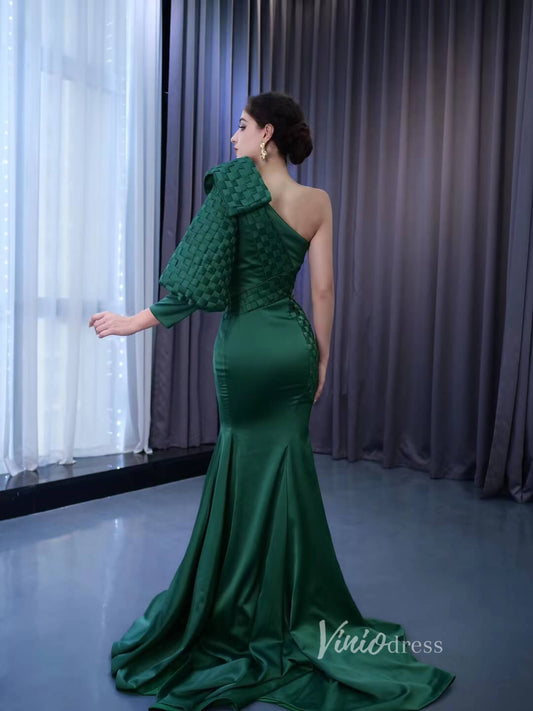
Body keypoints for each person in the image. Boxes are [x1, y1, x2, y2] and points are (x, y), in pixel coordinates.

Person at [89, 92, 455, 711]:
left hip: (242, 352)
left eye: (241, 126)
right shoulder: (318, 201)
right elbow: (325, 291)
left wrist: (134, 322)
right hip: (291, 350)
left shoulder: (232, 188)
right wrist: (323, 358)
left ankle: (232, 601)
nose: (233, 137)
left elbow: (193, 279)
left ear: (265, 136)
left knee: (238, 465)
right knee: (288, 472)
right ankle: (290, 606)